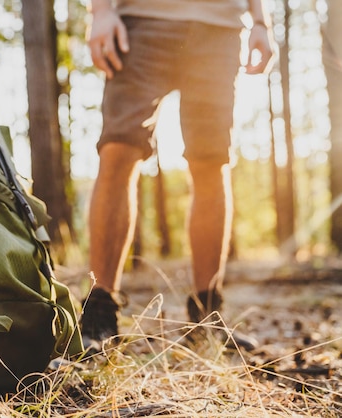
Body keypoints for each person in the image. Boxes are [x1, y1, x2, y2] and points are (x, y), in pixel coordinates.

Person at [80, 0, 274, 349]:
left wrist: (261, 21)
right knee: (118, 148)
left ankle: (207, 316)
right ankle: (98, 313)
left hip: (220, 26)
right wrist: (101, 12)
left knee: (211, 160)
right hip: (139, 20)